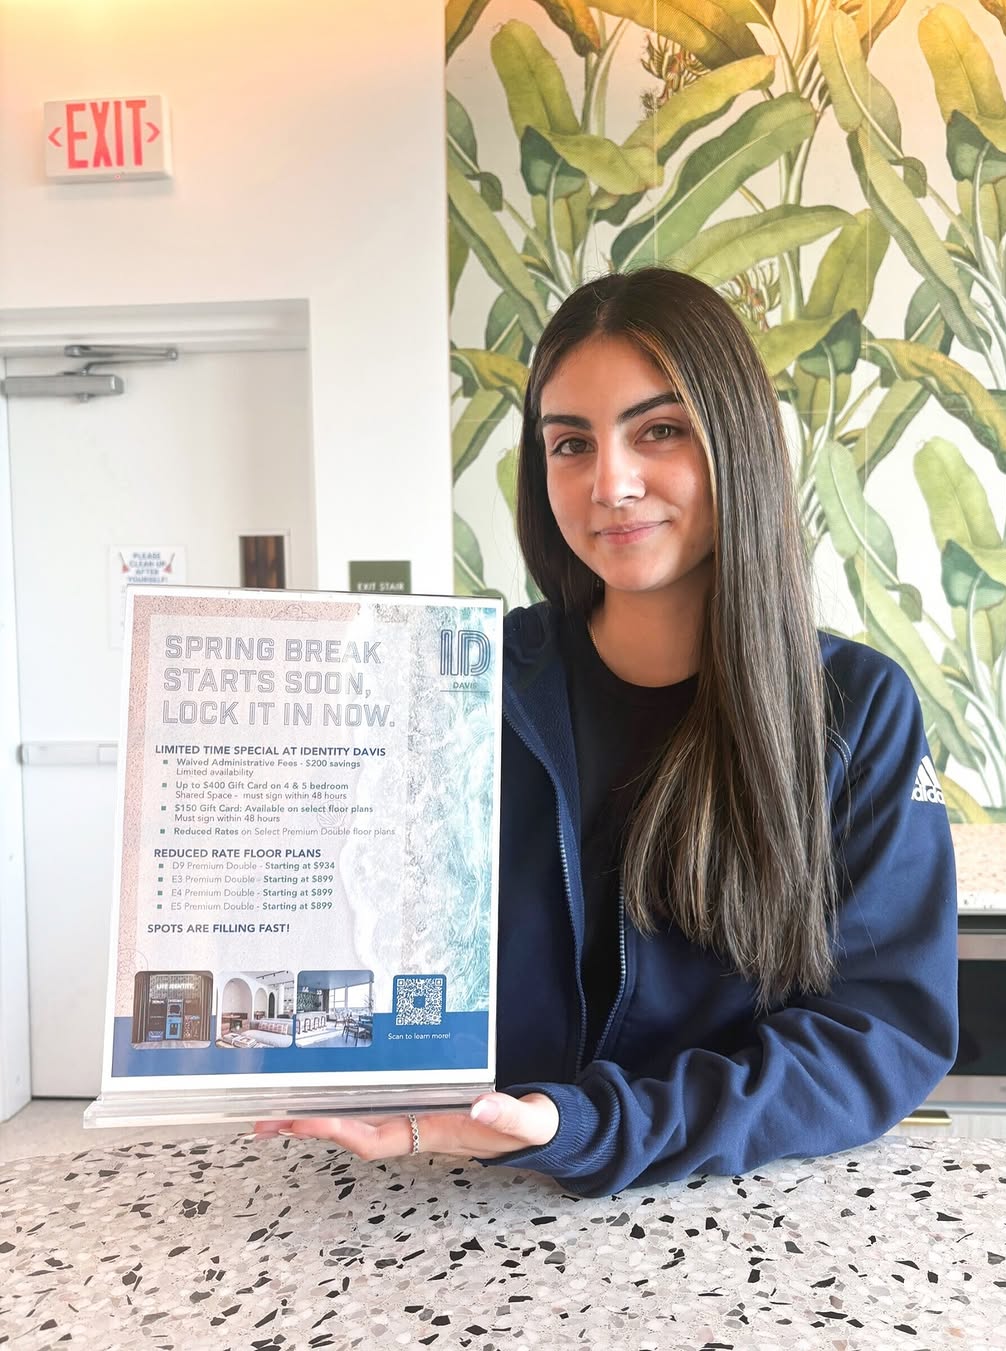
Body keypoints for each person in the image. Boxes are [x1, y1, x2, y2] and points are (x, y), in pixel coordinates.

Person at [254, 268, 958, 1197]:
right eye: (571, 444)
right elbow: (363, 927)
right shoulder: (457, 687)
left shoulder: (855, 708)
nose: (610, 483)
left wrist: (588, 1126)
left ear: (735, 440)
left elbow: (878, 1036)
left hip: (726, 1212)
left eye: (658, 430)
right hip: (462, 1191)